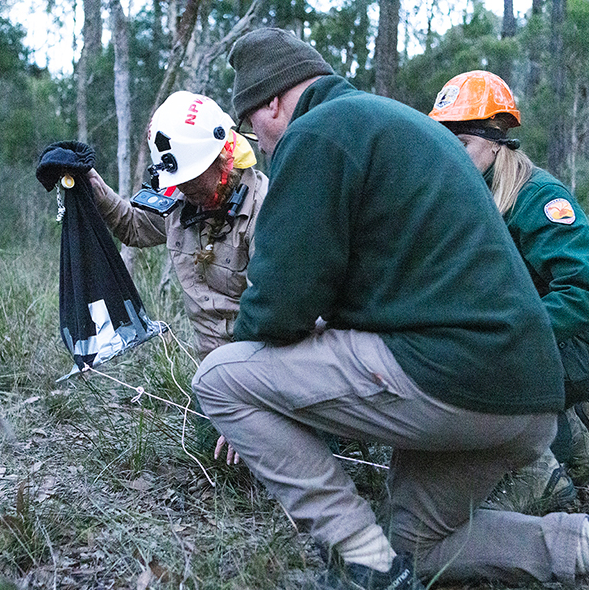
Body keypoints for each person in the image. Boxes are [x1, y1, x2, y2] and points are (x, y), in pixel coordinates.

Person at [191, 27, 589, 590]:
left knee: (220, 378)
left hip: (452, 376)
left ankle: (365, 562)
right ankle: (578, 548)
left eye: (249, 118)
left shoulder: (317, 134)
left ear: (273, 101)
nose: (253, 134)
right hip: (528, 397)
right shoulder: (401, 126)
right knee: (424, 547)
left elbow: (282, 302)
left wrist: (249, 373)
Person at [429, 70, 589, 513]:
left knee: (482, 367)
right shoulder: (466, 195)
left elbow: (581, 289)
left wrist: (512, 334)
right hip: (525, 338)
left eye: (460, 144)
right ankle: (569, 446)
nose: (450, 155)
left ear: (496, 139)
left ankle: (539, 480)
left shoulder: (538, 197)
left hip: (570, 338)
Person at [88, 91, 268, 464]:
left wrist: (250, 406)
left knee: (266, 456)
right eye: (178, 180)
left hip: (269, 371)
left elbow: (270, 318)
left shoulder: (266, 207)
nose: (183, 188)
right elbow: (135, 227)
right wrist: (94, 188)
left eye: (190, 178)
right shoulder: (180, 199)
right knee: (213, 454)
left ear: (221, 159)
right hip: (216, 374)